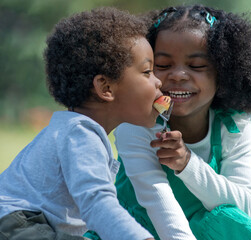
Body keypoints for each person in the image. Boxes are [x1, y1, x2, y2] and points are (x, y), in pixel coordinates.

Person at [85, 4, 251, 240]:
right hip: (137, 230)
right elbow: (157, 201)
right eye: (163, 65)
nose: (178, 75)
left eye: (197, 66)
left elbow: (244, 208)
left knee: (222, 216)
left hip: (202, 231)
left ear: (224, 72)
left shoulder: (233, 123)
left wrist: (187, 164)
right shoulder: (137, 125)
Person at [0, 7, 162, 240]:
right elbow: (98, 203)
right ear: (106, 88)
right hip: (18, 224)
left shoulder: (75, 130)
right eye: (147, 72)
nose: (158, 82)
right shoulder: (81, 134)